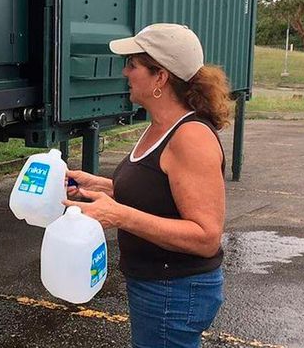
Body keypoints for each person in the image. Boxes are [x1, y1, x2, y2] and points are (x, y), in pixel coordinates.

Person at [65, 23, 229, 348]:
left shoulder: (190, 136)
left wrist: (120, 216)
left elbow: (206, 237)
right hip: (157, 286)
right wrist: (94, 186)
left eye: (133, 65)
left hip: (175, 290)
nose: (125, 72)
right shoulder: (158, 126)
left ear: (160, 77)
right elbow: (155, 190)